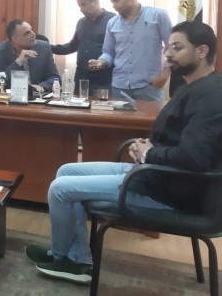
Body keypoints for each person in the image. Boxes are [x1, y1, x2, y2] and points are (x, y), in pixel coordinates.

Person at [26, 21, 222, 285]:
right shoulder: (191, 87)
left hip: (168, 190)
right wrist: (146, 146)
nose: (168, 54)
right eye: (168, 47)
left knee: (60, 189)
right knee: (66, 170)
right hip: (154, 173)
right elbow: (177, 140)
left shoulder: (211, 95)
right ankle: (74, 256)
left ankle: (68, 261)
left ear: (202, 51)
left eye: (177, 48)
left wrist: (149, 154)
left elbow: (194, 158)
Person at [88, 0, 172, 101]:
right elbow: (108, 52)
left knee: (154, 114)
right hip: (120, 87)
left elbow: (172, 47)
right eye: (112, 2)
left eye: (116, 1)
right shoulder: (112, 23)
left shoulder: (158, 16)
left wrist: (165, 76)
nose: (113, 6)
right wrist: (100, 62)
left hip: (149, 86)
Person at [51, 0, 115, 94]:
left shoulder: (113, 21)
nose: (81, 9)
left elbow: (118, 49)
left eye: (83, 4)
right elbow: (72, 46)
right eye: (79, 5)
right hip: (81, 79)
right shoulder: (81, 23)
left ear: (95, 1)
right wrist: (47, 47)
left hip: (104, 81)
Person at [0, 19, 60, 93]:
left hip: (39, 96)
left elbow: (54, 78)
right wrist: (19, 61)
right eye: (27, 33)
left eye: (31, 30)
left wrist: (41, 86)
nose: (33, 34)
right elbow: (1, 82)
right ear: (14, 38)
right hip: (13, 96)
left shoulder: (44, 48)